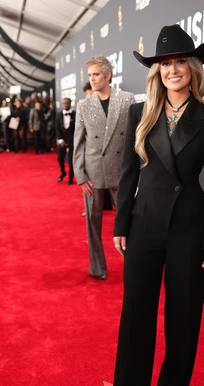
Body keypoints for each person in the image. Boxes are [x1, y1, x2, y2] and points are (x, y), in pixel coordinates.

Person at [107, 25, 204, 386]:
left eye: (178, 62)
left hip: (190, 228)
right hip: (144, 224)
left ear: (192, 67)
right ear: (156, 70)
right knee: (136, 316)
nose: (172, 70)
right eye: (164, 63)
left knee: (184, 319)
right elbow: (127, 175)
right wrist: (121, 222)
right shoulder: (139, 112)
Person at [73, 55, 135, 280]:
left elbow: (136, 137)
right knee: (92, 223)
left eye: (96, 74)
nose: (92, 79)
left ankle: (134, 265)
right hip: (92, 172)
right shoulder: (84, 104)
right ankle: (97, 268)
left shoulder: (127, 99)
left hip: (121, 171)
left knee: (130, 221)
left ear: (108, 75)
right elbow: (78, 141)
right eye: (89, 75)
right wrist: (80, 175)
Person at [55, 98, 75, 184]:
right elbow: (57, 128)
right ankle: (63, 173)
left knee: (71, 160)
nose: (65, 105)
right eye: (64, 103)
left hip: (72, 140)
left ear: (70, 104)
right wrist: (60, 140)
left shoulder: (75, 114)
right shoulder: (58, 115)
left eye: (67, 103)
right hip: (62, 140)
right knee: (60, 158)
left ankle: (70, 178)